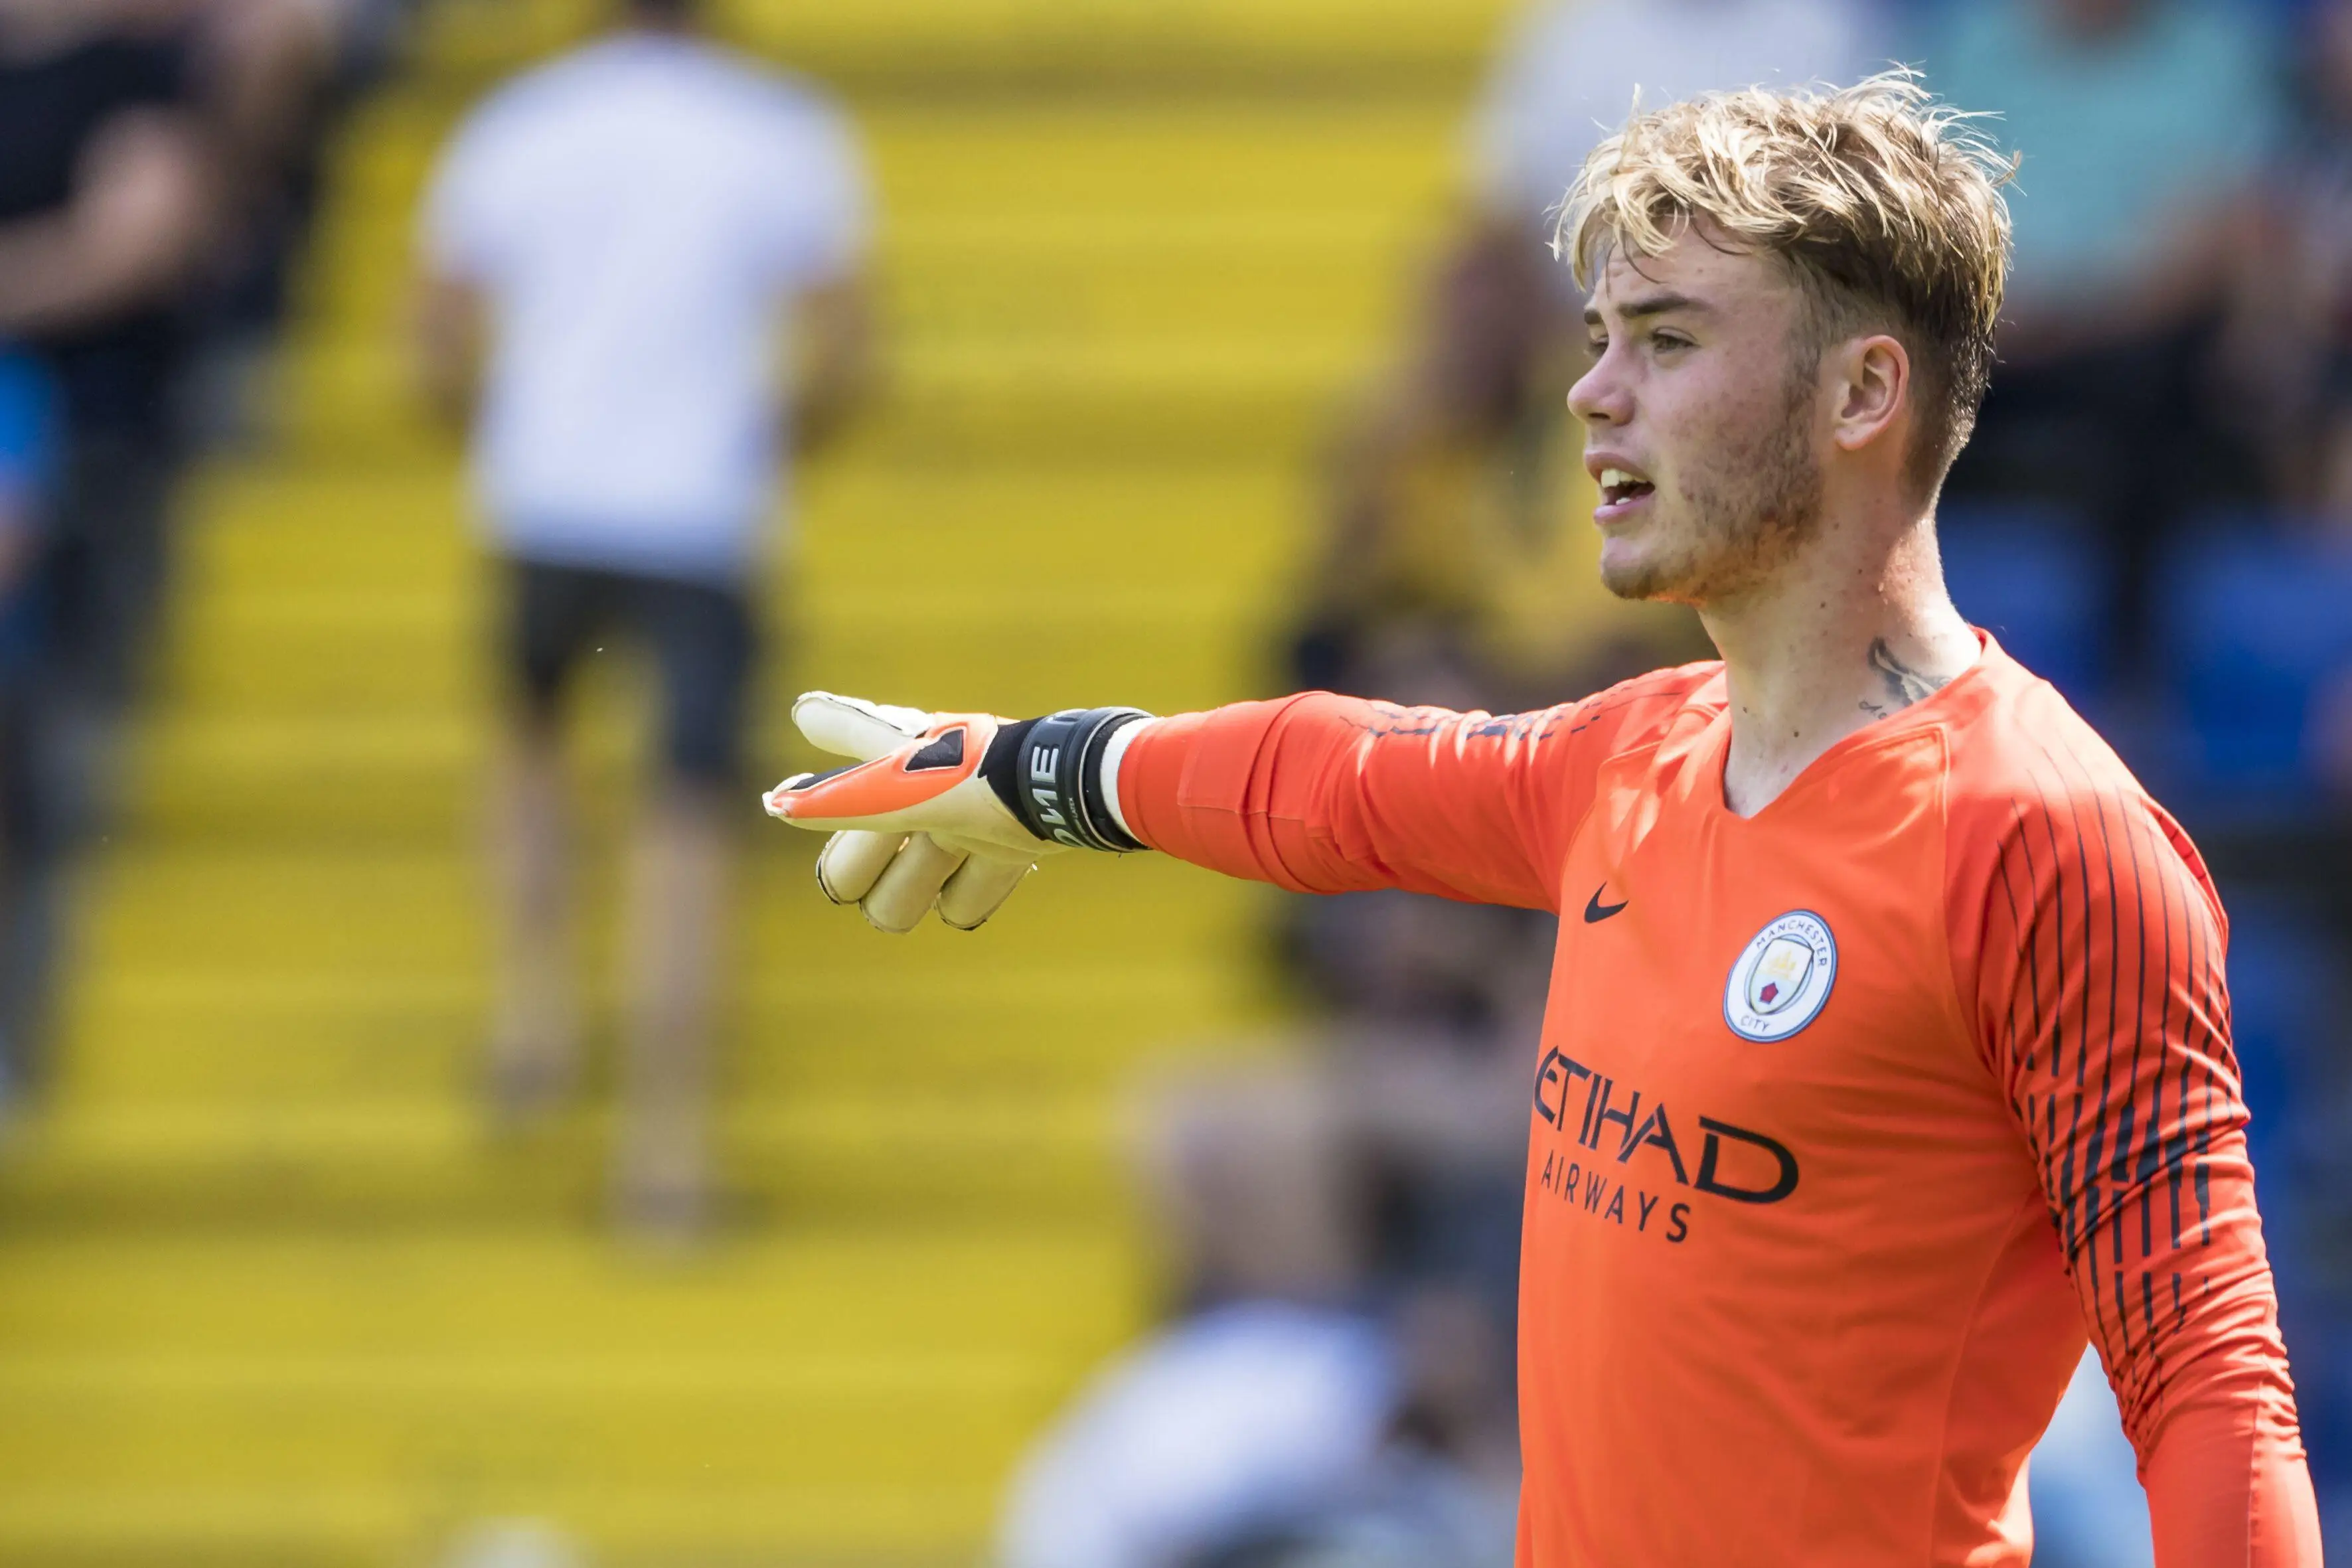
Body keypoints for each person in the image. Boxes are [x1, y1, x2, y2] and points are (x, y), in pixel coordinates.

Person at [763, 75, 2321, 1563]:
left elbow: (2207, 1380)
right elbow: (1339, 776)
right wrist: (1030, 773)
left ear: (1861, 390)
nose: (1590, 393)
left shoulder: (2045, 838)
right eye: (1595, 338)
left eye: (1664, 338)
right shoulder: (1634, 756)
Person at [414, 0, 874, 1235]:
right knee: (686, 815)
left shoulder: (518, 123)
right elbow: (845, 353)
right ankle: (665, 1151)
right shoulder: (780, 130)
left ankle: (534, 1015)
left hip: (544, 497)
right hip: (698, 513)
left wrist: (500, 438)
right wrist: (761, 444)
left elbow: (436, 339)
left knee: (530, 741)